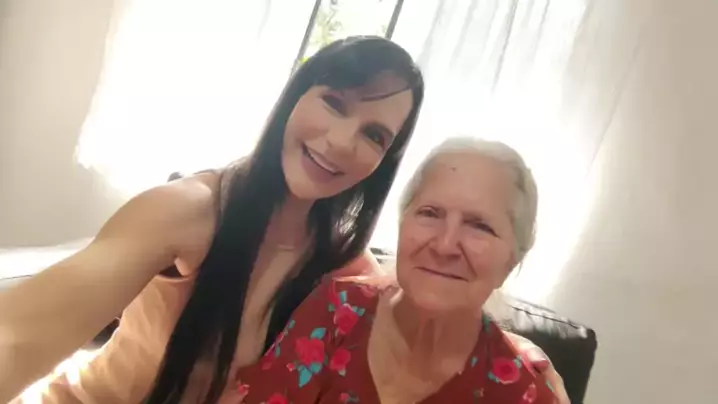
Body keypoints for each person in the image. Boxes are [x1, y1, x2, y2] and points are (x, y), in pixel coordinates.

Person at [0, 36, 567, 403]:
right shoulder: (189, 211)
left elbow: (434, 294)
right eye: (334, 103)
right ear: (296, 93)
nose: (340, 142)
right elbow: (21, 334)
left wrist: (523, 361)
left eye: (374, 135)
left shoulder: (341, 264)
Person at [229, 137, 561, 403]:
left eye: (479, 226)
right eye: (430, 213)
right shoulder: (338, 310)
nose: (445, 245)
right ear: (402, 225)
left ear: (512, 260)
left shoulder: (523, 392)